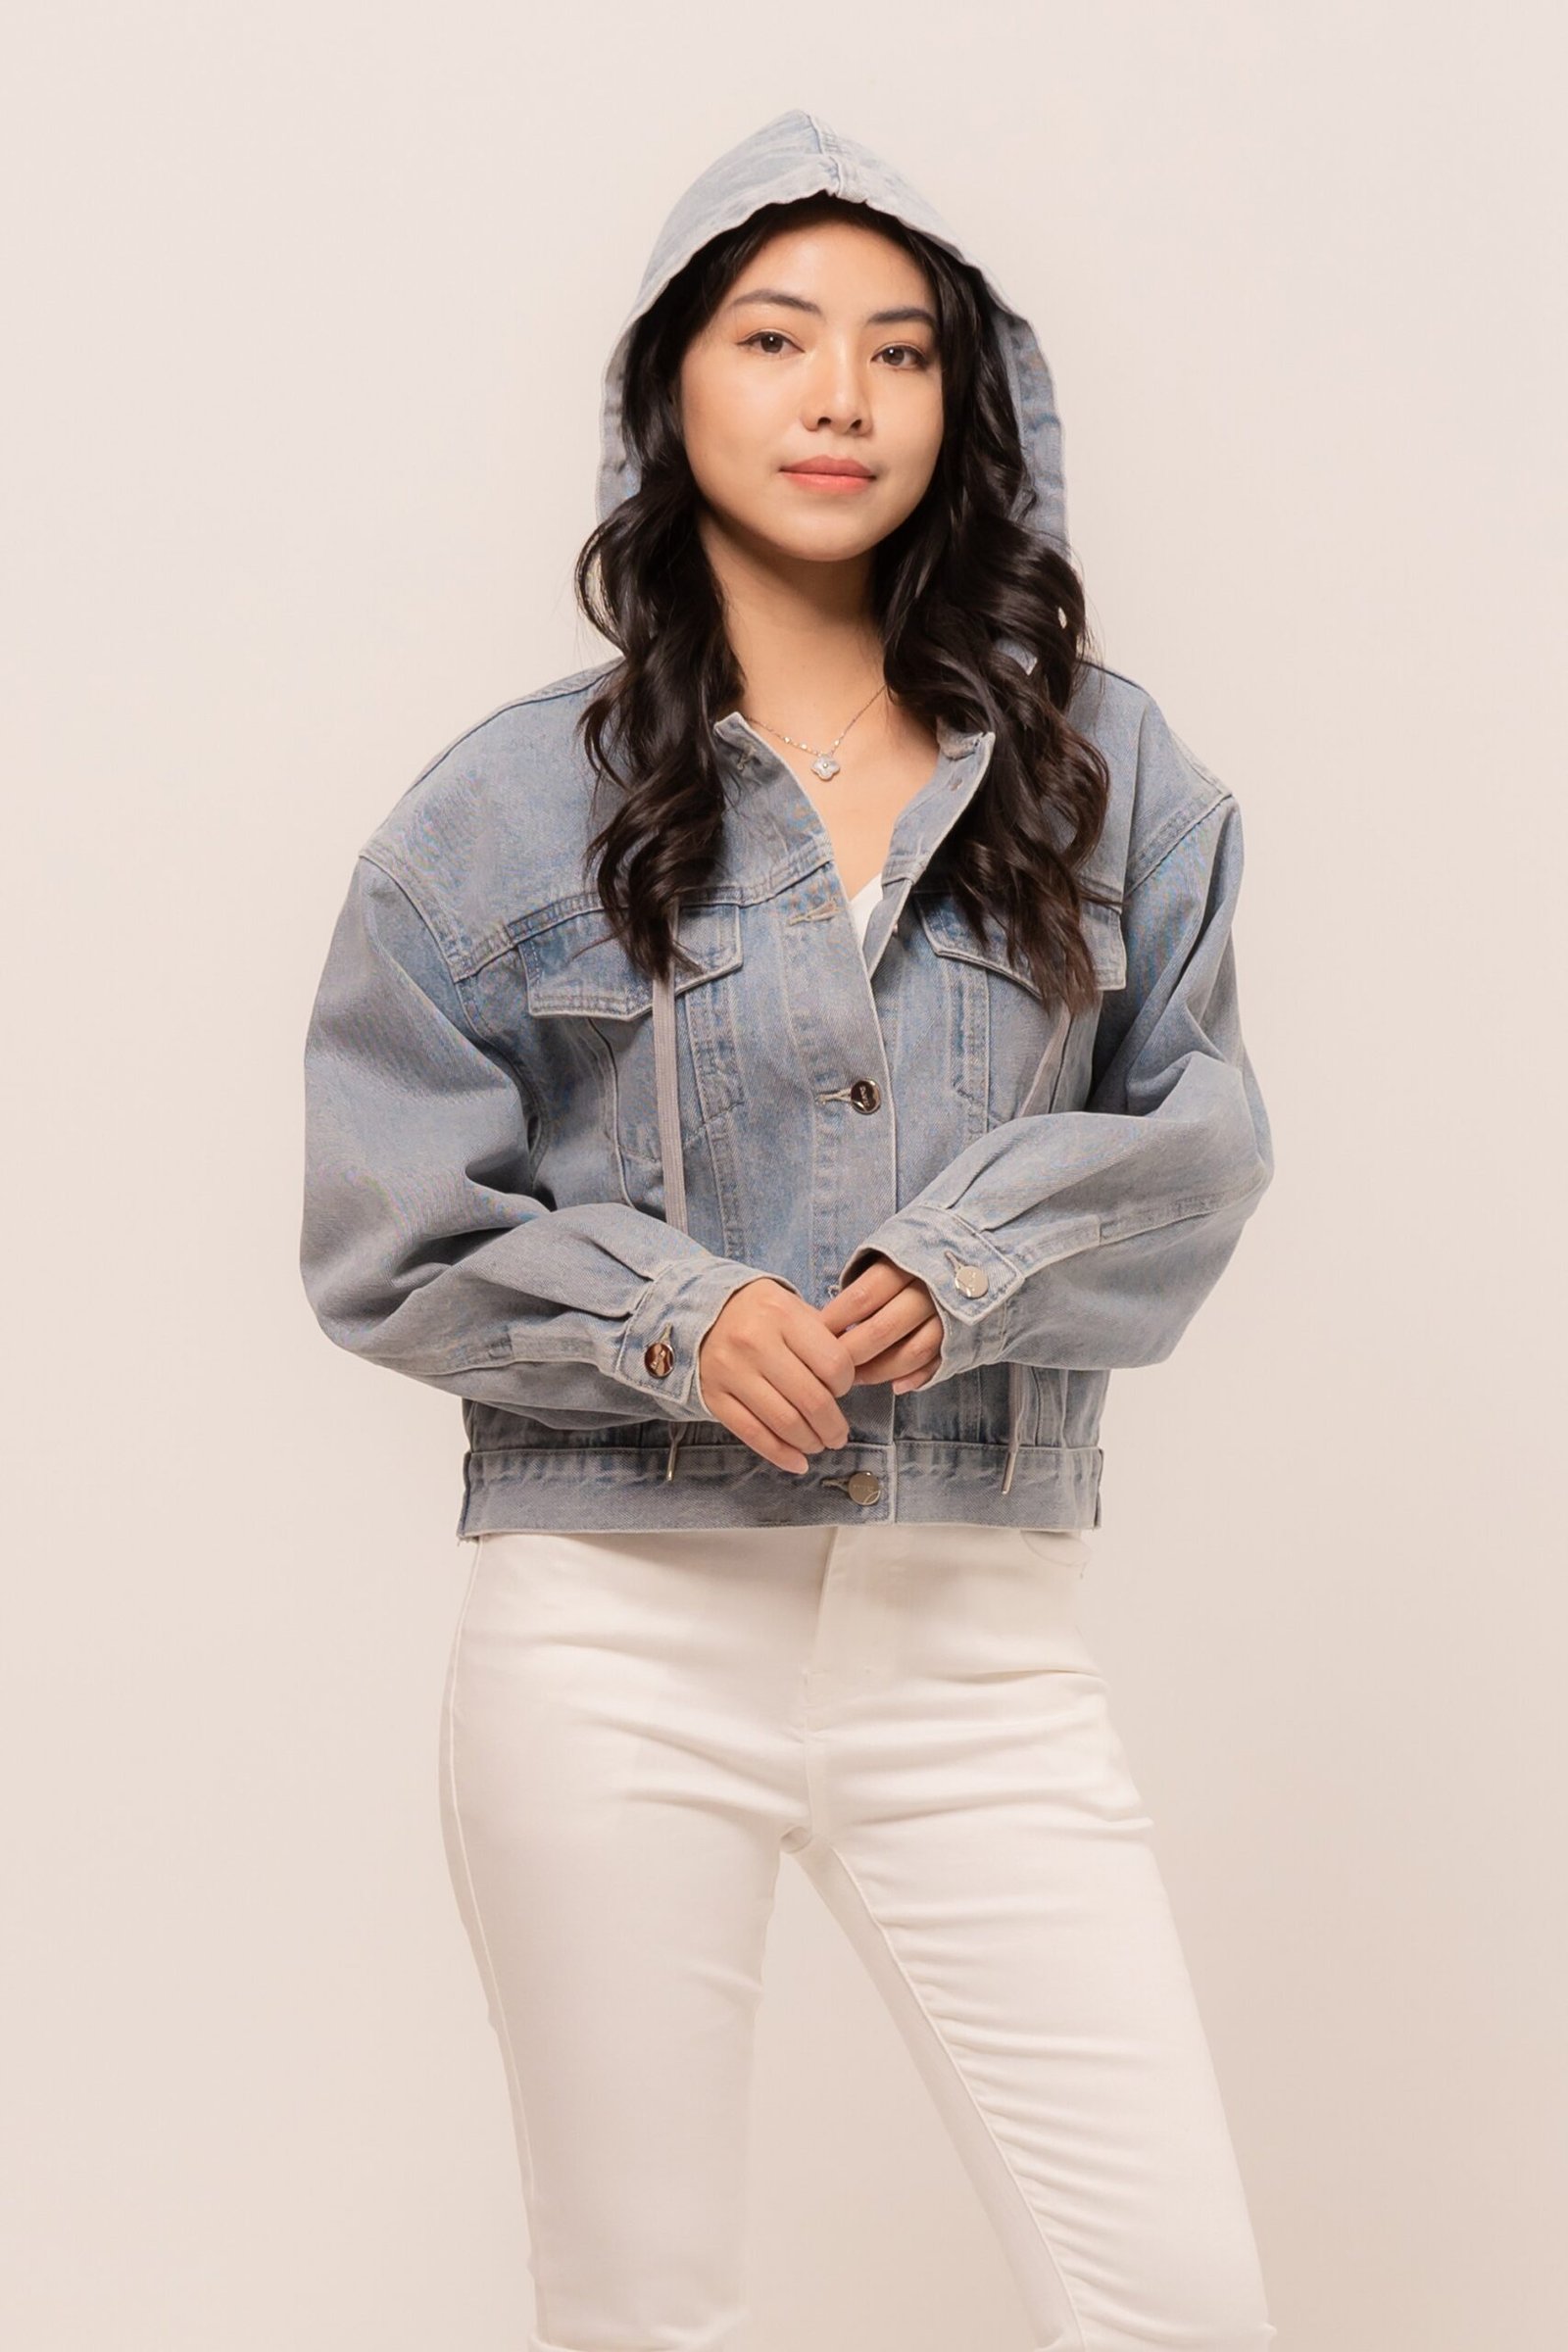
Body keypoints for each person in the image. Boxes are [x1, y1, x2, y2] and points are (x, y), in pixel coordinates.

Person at [300, 109, 1277, 2352]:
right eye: (772, 337)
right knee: (638, 2309)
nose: (840, 395)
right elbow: (389, 1234)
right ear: (668, 390)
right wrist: (665, 1315)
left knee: (1177, 2300)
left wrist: (973, 1261)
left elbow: (1202, 1135)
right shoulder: (497, 813)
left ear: (967, 405)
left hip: (976, 1649)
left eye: (899, 350)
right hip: (613, 1646)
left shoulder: (1110, 778)